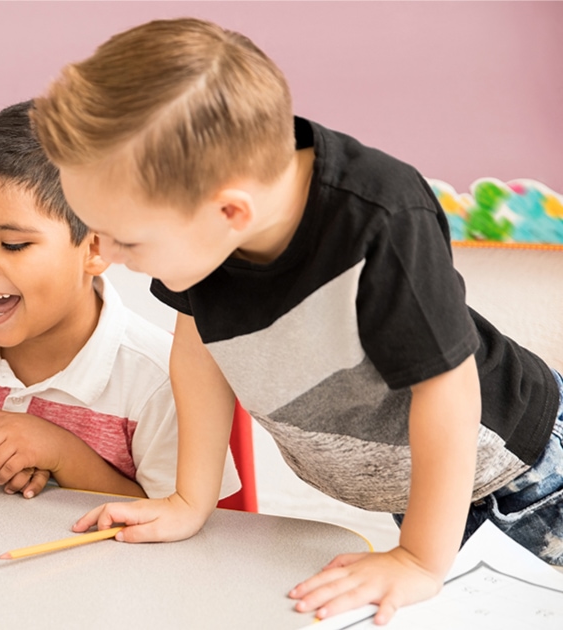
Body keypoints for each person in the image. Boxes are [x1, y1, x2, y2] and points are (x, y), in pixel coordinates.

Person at [31, 18, 562, 625]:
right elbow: (200, 350)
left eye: (124, 240)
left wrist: (417, 557)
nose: (107, 256)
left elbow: (448, 391)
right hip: (422, 492)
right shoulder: (201, 229)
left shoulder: (381, 217)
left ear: (231, 211)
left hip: (523, 474)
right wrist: (189, 500)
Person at [0, 101, 239, 501]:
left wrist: (66, 457)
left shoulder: (158, 380)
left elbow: (185, 522)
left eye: (13, 245)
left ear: (95, 248)